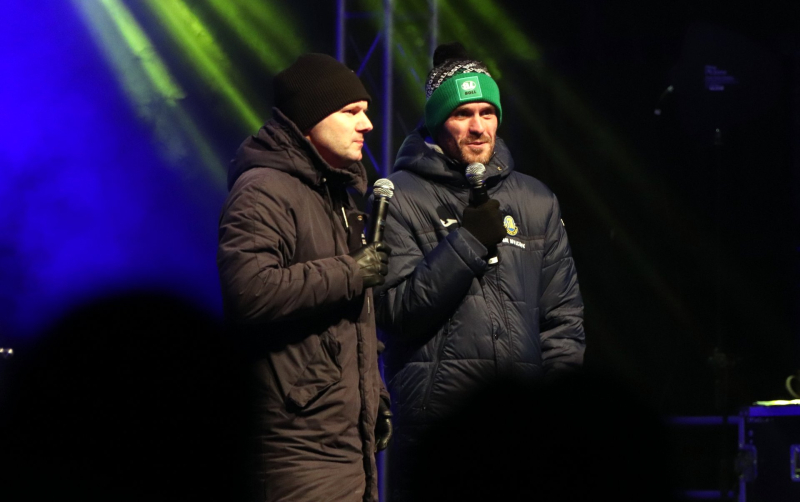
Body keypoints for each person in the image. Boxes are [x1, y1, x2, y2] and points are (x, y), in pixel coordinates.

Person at [373, 42, 586, 500]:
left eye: (487, 113)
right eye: (462, 114)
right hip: (439, 429)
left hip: (524, 429)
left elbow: (562, 320)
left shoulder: (536, 199)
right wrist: (467, 242)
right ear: (436, 121)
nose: (477, 128)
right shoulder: (398, 197)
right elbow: (395, 310)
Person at [217, 53, 392, 502]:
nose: (367, 125)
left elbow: (350, 321)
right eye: (351, 112)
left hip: (348, 445)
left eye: (366, 111)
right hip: (295, 446)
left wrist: (377, 398)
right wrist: (350, 271)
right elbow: (249, 291)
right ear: (310, 120)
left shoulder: (335, 194)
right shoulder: (263, 189)